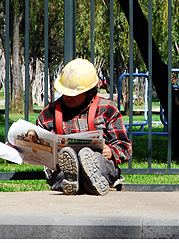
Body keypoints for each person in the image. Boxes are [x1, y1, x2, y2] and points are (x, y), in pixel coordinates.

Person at [37, 58, 132, 195]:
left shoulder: (107, 109)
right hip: (64, 169)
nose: (68, 97)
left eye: (74, 93)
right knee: (64, 170)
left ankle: (87, 180)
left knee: (95, 159)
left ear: (89, 92)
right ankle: (80, 182)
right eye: (66, 92)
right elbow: (35, 144)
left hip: (100, 166)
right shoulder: (50, 113)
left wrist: (111, 152)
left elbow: (124, 145)